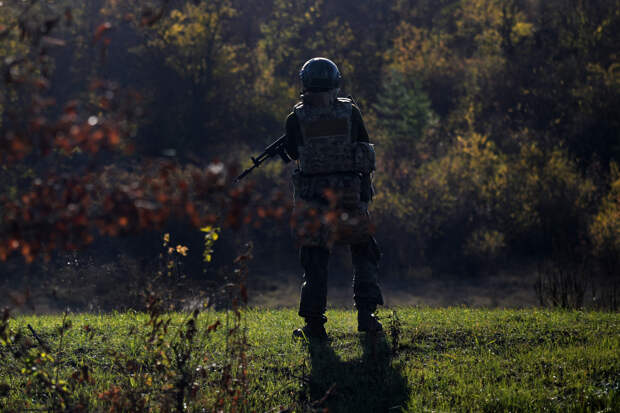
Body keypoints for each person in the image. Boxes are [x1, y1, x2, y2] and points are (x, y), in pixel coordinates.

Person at [282, 57, 384, 340]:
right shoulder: (350, 113)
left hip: (313, 201)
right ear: (335, 82)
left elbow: (293, 153)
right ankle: (368, 316)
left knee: (314, 260)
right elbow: (363, 149)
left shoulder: (295, 118)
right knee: (364, 253)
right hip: (349, 198)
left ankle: (314, 326)